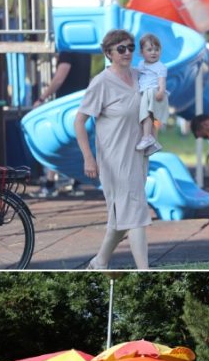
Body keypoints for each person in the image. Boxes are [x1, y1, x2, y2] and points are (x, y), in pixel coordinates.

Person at [75, 29, 151, 269]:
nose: (127, 52)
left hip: (137, 155)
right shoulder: (101, 83)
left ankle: (99, 261)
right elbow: (79, 122)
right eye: (121, 49)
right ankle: (144, 270)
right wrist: (88, 158)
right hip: (113, 160)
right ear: (109, 53)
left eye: (130, 47)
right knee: (135, 214)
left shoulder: (140, 76)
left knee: (122, 215)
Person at [32, 51, 92, 198]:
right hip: (79, 103)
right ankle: (76, 183)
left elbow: (60, 78)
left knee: (56, 144)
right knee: (78, 144)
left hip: (64, 107)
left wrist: (42, 98)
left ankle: (50, 183)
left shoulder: (67, 52)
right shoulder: (85, 53)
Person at [134, 34, 168, 155]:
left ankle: (146, 137)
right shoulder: (141, 64)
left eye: (156, 50)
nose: (154, 52)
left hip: (153, 92)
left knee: (146, 115)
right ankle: (154, 141)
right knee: (152, 118)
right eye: (149, 50)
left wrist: (161, 91)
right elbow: (137, 75)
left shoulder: (160, 67)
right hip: (146, 92)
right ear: (142, 52)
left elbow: (162, 81)